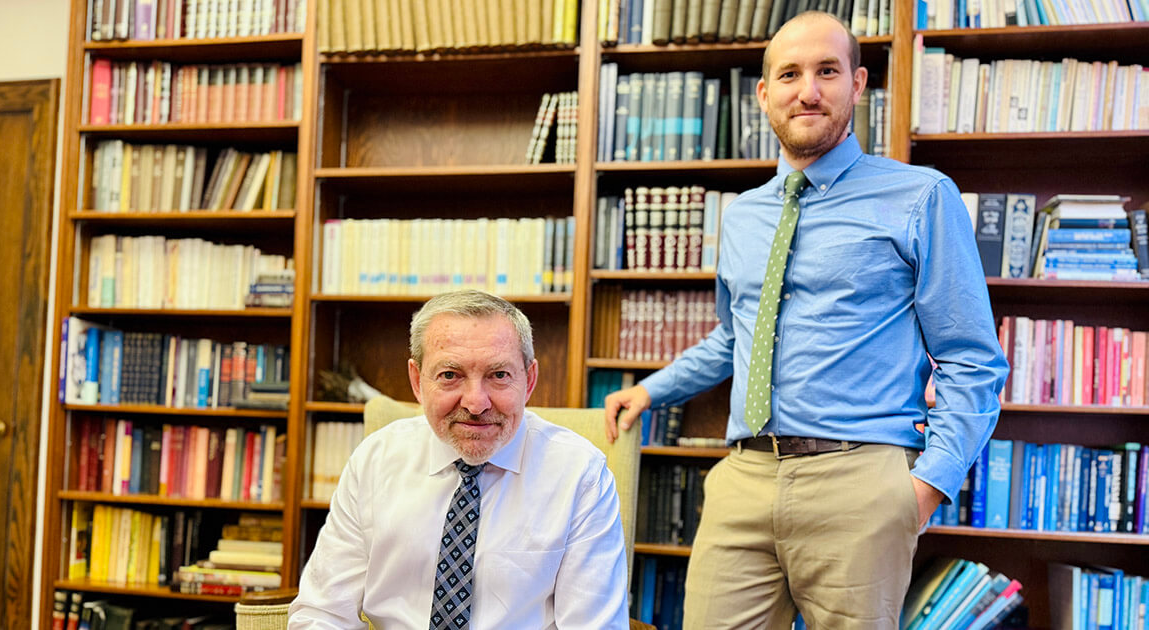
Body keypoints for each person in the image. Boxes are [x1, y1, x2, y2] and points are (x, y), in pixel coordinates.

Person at [604, 11, 1008, 629]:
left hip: (861, 483)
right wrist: (652, 390)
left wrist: (928, 486)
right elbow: (738, 336)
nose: (808, 91)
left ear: (858, 84)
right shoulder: (743, 215)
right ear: (764, 94)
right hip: (744, 478)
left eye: (828, 71)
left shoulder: (922, 196)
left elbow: (971, 357)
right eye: (790, 74)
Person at [290, 289, 629, 629]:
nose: (476, 403)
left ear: (529, 381)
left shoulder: (580, 475)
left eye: (499, 375)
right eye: (450, 375)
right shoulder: (374, 461)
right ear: (417, 381)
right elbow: (323, 613)